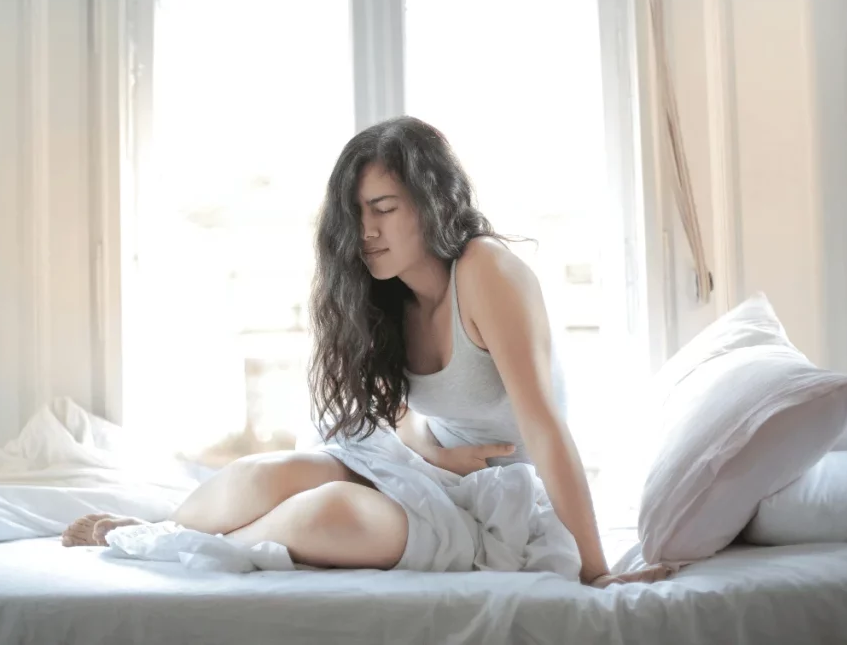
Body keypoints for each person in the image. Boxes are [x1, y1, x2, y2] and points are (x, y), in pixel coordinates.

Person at [62, 116, 671, 588]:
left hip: (500, 505)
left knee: (332, 512)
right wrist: (435, 450)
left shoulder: (487, 271)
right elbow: (399, 419)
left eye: (384, 208)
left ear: (432, 203)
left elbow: (544, 427)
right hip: (432, 473)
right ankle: (164, 529)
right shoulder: (388, 296)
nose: (366, 231)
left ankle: (173, 549)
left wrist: (596, 570)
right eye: (356, 214)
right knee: (274, 471)